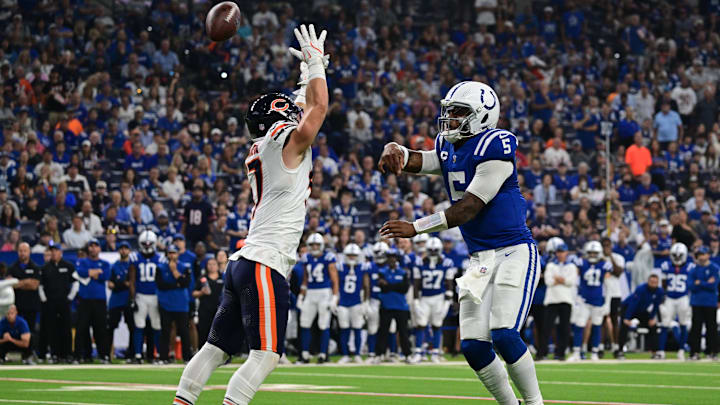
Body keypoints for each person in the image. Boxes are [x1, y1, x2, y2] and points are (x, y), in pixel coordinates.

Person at [173, 24, 329, 405]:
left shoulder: (265, 144)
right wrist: (316, 66)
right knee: (266, 353)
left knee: (215, 348)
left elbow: (302, 104)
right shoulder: (283, 142)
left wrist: (309, 72)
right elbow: (317, 108)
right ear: (281, 118)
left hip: (245, 261)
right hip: (265, 262)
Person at [379, 80, 543, 404]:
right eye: (449, 111)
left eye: (459, 112)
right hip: (480, 259)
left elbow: (468, 208)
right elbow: (419, 160)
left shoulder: (495, 147)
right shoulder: (448, 145)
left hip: (513, 251)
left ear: (483, 116)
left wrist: (416, 227)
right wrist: (395, 149)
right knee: (472, 346)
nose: (451, 118)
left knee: (505, 335)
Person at [568, 241, 620, 361]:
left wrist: (607, 303)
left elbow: (608, 286)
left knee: (596, 326)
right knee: (579, 325)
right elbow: (575, 281)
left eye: (594, 253)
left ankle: (595, 352)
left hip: (598, 301)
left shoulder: (605, 265)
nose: (592, 255)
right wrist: (575, 298)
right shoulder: (581, 262)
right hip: (584, 300)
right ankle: (576, 352)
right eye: (590, 253)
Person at [410, 237, 456, 363]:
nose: (434, 252)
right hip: (424, 297)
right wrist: (415, 301)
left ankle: (435, 352)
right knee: (421, 325)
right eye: (431, 250)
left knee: (437, 325)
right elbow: (416, 284)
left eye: (436, 250)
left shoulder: (447, 263)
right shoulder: (420, 262)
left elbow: (449, 284)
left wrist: (447, 302)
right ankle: (418, 352)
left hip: (439, 298)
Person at [296, 233, 339, 363]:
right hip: (310, 292)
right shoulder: (306, 258)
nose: (314, 247)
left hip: (324, 292)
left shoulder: (328, 257)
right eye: (312, 245)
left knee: (323, 324)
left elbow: (334, 280)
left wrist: (335, 297)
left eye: (317, 245)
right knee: (304, 323)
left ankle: (323, 354)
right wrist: (301, 296)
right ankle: (304, 354)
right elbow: (305, 280)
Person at [129, 230, 164, 363]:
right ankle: (138, 355)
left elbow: (161, 280)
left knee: (156, 326)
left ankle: (159, 354)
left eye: (150, 243)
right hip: (141, 295)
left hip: (155, 295)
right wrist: (132, 299)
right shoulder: (135, 258)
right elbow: (132, 280)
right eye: (145, 243)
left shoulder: (160, 258)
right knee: (139, 325)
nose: (148, 246)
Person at [74, 238, 111, 363]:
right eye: (91, 246)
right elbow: (81, 272)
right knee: (81, 329)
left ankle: (104, 355)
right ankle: (80, 356)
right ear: (88, 248)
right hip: (84, 299)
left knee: (100, 329)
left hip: (99, 300)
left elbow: (105, 275)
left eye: (96, 246)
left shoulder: (105, 263)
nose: (93, 248)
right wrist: (95, 272)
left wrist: (91, 273)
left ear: (99, 249)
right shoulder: (82, 261)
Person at [38, 241, 75, 363]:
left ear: (61, 252)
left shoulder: (68, 266)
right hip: (51, 302)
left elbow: (76, 282)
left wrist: (70, 297)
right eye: (52, 251)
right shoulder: (45, 268)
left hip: (64, 301)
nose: (54, 253)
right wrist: (44, 300)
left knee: (66, 327)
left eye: (56, 251)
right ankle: (55, 354)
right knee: (52, 328)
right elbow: (40, 286)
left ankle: (68, 354)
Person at [373, 248, 412, 362]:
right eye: (389, 257)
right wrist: (395, 286)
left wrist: (389, 285)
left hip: (401, 306)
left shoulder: (403, 272)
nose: (391, 259)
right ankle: (379, 354)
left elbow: (404, 288)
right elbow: (382, 287)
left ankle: (407, 355)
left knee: (403, 332)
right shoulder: (382, 272)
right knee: (383, 331)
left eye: (393, 257)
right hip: (387, 305)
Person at [157, 244, 192, 363]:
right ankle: (163, 357)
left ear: (178, 254)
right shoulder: (160, 268)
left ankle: (187, 357)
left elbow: (185, 283)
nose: (172, 255)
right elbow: (160, 285)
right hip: (165, 303)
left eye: (174, 253)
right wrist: (176, 284)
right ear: (167, 254)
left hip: (181, 304)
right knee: (165, 331)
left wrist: (174, 271)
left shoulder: (184, 267)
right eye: (170, 253)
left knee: (184, 331)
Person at [657, 243, 692, 360]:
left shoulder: (690, 267)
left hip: (683, 297)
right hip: (670, 298)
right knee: (664, 324)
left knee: (683, 324)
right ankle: (661, 351)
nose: (677, 258)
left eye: (679, 255)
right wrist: (663, 297)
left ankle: (681, 350)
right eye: (675, 255)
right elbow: (663, 283)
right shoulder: (666, 266)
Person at [617, 274, 664, 359]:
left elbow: (656, 306)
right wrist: (627, 318)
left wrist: (651, 318)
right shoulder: (641, 289)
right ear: (648, 282)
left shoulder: (659, 291)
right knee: (624, 326)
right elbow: (633, 303)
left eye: (655, 282)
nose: (653, 284)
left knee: (653, 326)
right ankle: (620, 351)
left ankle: (655, 352)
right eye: (651, 282)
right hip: (628, 307)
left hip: (641, 310)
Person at [336, 243, 369, 364]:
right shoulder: (340, 266)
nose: (351, 257)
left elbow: (366, 286)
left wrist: (365, 302)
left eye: (354, 255)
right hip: (343, 302)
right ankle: (345, 354)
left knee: (357, 328)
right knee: (344, 329)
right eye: (349, 255)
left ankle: (357, 354)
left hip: (356, 302)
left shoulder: (362, 267)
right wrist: (335, 299)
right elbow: (336, 283)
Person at [543, 241, 576, 360]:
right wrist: (563, 280)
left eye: (562, 252)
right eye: (559, 252)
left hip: (566, 300)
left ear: (567, 252)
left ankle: (561, 353)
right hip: (552, 300)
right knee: (547, 327)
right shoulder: (551, 265)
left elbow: (571, 282)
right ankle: (542, 353)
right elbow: (548, 281)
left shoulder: (571, 266)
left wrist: (558, 280)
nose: (560, 254)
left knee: (564, 328)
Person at [688, 246, 719, 360]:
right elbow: (691, 286)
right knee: (696, 328)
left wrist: (699, 283)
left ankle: (712, 351)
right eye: (699, 254)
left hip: (710, 302)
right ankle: (694, 352)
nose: (701, 257)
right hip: (697, 302)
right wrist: (706, 282)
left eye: (703, 254)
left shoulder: (714, 268)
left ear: (708, 255)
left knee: (711, 328)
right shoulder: (693, 269)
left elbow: (714, 285)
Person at [9, 242, 40, 353]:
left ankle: (29, 354)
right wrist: (27, 281)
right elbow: (11, 284)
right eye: (20, 251)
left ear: (29, 252)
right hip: (17, 306)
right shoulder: (12, 268)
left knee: (30, 330)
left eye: (25, 251)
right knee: (16, 330)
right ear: (18, 252)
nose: (22, 253)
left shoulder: (35, 267)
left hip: (31, 305)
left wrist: (19, 283)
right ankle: (15, 353)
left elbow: (34, 285)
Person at [107, 241, 133, 360]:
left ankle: (131, 354)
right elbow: (110, 284)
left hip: (128, 299)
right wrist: (124, 284)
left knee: (132, 327)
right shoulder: (114, 265)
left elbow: (130, 283)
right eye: (121, 248)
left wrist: (118, 284)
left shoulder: (132, 265)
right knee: (110, 326)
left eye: (125, 248)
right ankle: (109, 353)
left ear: (129, 250)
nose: (123, 251)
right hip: (116, 300)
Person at [365, 241, 388, 363]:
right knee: (372, 328)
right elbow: (366, 284)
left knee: (390, 328)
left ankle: (389, 352)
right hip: (374, 300)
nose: (378, 255)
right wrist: (366, 301)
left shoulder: (392, 265)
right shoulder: (370, 266)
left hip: (387, 300)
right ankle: (372, 353)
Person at [193, 258, 223, 346]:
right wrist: (202, 292)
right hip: (205, 310)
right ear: (206, 266)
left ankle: (223, 355)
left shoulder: (224, 277)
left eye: (214, 264)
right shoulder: (203, 279)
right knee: (204, 332)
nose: (212, 266)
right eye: (209, 264)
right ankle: (202, 355)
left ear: (218, 266)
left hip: (220, 310)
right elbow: (194, 293)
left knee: (221, 333)